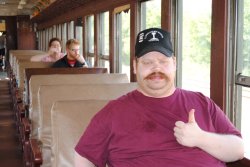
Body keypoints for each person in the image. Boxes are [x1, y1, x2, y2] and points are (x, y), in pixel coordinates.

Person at [74, 28, 244, 167]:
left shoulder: (202, 102)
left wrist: (201, 138)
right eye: (147, 62)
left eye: (163, 61)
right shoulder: (113, 112)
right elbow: (83, 158)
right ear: (135, 66)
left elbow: (237, 150)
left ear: (175, 63)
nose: (156, 67)